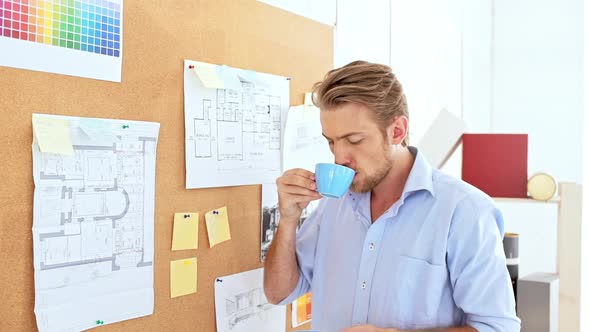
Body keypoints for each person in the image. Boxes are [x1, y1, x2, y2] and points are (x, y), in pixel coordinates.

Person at [263, 61, 520, 332]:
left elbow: (497, 327)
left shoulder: (465, 211)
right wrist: (288, 220)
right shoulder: (332, 205)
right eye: (331, 141)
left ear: (397, 131)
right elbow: (278, 293)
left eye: (354, 140)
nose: (339, 157)